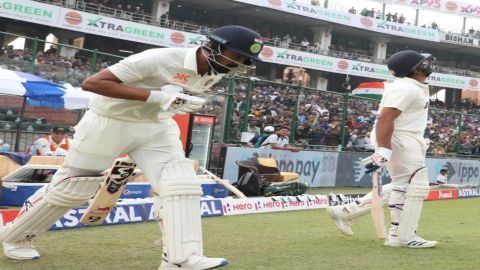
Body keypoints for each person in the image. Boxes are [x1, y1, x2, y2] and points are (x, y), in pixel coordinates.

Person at [0, 25, 264, 269]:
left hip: (157, 128)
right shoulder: (158, 58)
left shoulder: (215, 72)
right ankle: (16, 237)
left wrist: (177, 102)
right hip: (109, 123)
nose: (237, 64)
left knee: (179, 182)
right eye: (235, 56)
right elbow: (93, 83)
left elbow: (169, 96)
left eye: (243, 60)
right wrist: (158, 97)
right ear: (214, 46)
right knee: (74, 185)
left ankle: (181, 258)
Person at [326, 50, 438, 248]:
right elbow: (385, 118)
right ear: (413, 69)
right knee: (412, 186)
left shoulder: (412, 86)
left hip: (405, 137)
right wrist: (384, 149)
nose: (428, 63)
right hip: (399, 138)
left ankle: (346, 211)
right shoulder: (406, 88)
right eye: (423, 62)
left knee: (401, 185)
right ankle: (401, 236)